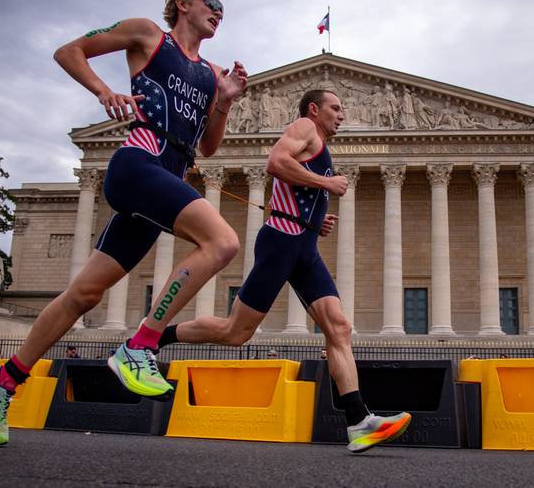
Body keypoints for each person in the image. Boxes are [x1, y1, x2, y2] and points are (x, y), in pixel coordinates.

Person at [0, 0, 247, 446]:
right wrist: (104, 91)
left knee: (84, 296)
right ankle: (140, 344)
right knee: (223, 243)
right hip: (136, 165)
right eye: (211, 2)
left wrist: (222, 102)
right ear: (183, 4)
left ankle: (3, 380)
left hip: (165, 180)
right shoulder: (147, 35)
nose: (219, 12)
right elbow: (69, 51)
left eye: (223, 8)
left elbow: (208, 147)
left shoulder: (210, 74)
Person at [156, 90, 411, 453]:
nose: (341, 115)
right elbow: (276, 163)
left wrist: (315, 221)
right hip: (281, 242)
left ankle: (359, 421)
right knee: (234, 333)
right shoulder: (304, 126)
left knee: (338, 326)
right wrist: (326, 183)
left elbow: (292, 188)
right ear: (314, 109)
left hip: (304, 245)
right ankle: (157, 338)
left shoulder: (319, 143)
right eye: (336, 108)